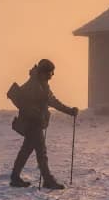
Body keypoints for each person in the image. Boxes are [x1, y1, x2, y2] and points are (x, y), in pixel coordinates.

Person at [9, 58, 78, 189]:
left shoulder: (41, 84)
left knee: (26, 151)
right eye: (51, 72)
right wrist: (69, 111)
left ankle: (15, 177)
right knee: (41, 152)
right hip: (33, 123)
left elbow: (52, 101)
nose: (52, 75)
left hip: (34, 123)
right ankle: (47, 180)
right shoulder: (34, 85)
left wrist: (69, 111)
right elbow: (48, 102)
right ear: (43, 72)